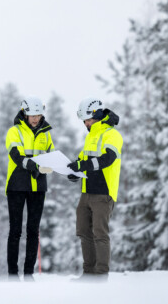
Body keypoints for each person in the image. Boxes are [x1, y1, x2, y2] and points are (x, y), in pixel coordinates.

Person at [66, 98, 123, 281]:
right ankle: (88, 274)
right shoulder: (91, 137)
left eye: (88, 119)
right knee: (84, 232)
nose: (86, 123)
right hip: (86, 192)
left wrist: (82, 165)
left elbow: (108, 159)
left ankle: (101, 276)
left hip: (103, 192)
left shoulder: (112, 134)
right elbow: (84, 160)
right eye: (84, 120)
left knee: (100, 233)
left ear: (97, 115)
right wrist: (74, 171)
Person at [4, 96, 56, 281]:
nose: (35, 118)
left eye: (38, 114)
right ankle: (12, 274)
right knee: (15, 230)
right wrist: (34, 165)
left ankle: (28, 273)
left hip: (38, 187)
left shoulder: (46, 133)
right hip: (17, 185)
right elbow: (16, 155)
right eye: (32, 115)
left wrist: (56, 165)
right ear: (24, 114)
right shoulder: (14, 131)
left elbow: (51, 155)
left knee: (33, 230)